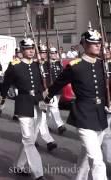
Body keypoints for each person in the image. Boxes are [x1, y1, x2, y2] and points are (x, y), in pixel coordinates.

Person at [44, 27, 109, 180]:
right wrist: (46, 98)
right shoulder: (75, 66)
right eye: (93, 43)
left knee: (87, 156)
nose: (98, 46)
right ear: (84, 45)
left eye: (99, 43)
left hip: (100, 116)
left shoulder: (103, 65)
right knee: (97, 160)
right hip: (84, 115)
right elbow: (57, 84)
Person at [0, 38, 47, 180]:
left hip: (38, 102)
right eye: (27, 48)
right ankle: (38, 173)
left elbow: (43, 83)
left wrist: (45, 99)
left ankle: (18, 166)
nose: (31, 50)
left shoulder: (39, 65)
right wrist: (2, 97)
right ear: (21, 50)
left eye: (33, 48)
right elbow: (6, 82)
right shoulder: (15, 65)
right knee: (27, 137)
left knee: (30, 138)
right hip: (23, 102)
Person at [45, 47, 67, 135]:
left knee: (50, 108)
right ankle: (60, 125)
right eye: (51, 53)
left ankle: (45, 125)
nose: (53, 54)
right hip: (50, 89)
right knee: (54, 107)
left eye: (54, 53)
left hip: (58, 90)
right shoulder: (46, 64)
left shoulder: (59, 63)